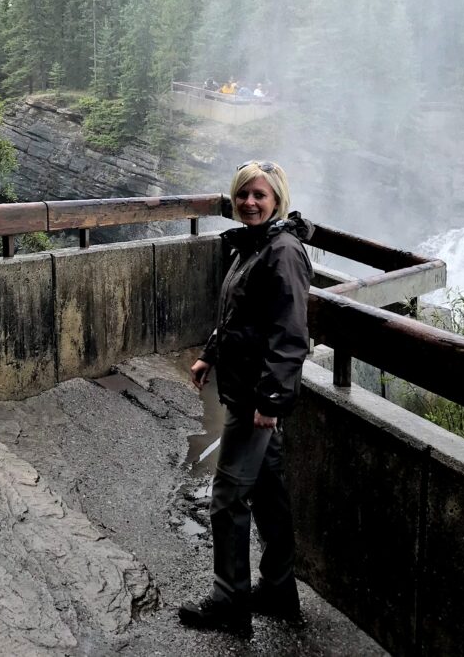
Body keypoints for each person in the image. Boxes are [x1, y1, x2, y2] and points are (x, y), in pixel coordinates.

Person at [178, 160, 313, 637]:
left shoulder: (283, 252)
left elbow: (291, 333)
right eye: (243, 195)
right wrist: (210, 355)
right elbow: (238, 313)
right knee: (270, 494)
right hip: (246, 388)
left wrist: (270, 401)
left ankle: (229, 601)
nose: (250, 203)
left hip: (256, 398)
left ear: (278, 198)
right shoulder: (253, 244)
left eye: (259, 195)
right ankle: (277, 590)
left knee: (228, 498)